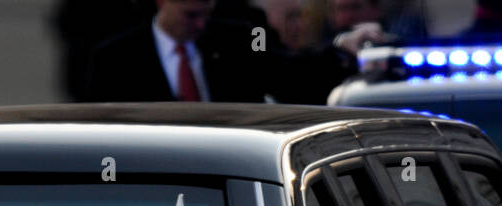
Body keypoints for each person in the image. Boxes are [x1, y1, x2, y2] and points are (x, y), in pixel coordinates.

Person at [82, 0, 360, 104]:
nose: (200, 24)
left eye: (206, 14)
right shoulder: (114, 59)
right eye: (190, 15)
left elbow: (288, 72)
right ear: (161, 3)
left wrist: (341, 52)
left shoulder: (234, 39)